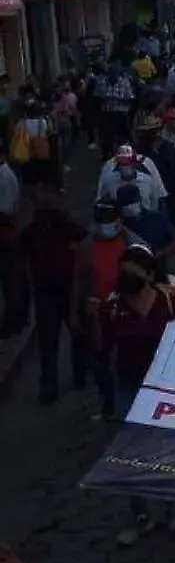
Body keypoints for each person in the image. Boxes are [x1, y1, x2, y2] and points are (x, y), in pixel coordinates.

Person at [96, 245, 175, 545]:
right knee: (132, 453)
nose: (125, 278)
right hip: (130, 386)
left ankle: (172, 509)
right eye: (122, 273)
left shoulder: (168, 302)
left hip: (166, 389)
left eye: (132, 273)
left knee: (167, 451)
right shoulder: (113, 308)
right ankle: (140, 515)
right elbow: (103, 348)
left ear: (149, 274)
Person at [73, 201, 146, 419]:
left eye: (108, 221)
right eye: (101, 221)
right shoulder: (87, 246)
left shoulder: (134, 244)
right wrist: (76, 311)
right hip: (98, 316)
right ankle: (109, 404)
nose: (105, 226)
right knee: (100, 361)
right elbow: (78, 279)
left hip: (127, 313)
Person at [23, 188, 89, 405]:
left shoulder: (70, 230)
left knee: (75, 335)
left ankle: (78, 375)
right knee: (49, 342)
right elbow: (21, 256)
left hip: (69, 290)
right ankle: (51, 385)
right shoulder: (34, 232)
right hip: (47, 293)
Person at [114, 185, 175, 274]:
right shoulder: (118, 226)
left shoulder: (158, 218)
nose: (129, 206)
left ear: (140, 200)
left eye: (132, 202)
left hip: (158, 272)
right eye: (126, 204)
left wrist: (159, 254)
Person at [96, 144, 168, 212]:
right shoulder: (109, 177)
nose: (125, 167)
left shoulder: (147, 179)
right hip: (121, 221)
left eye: (128, 163)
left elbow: (159, 197)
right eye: (122, 164)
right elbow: (101, 200)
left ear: (135, 164)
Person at [0, 143, 23, 338]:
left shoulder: (5, 177)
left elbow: (6, 211)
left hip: (5, 235)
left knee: (9, 281)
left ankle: (13, 321)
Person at [95, 62, 135, 158]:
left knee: (123, 137)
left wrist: (117, 99)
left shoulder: (125, 82)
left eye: (115, 72)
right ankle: (106, 155)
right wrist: (104, 99)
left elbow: (130, 98)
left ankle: (125, 155)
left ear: (119, 73)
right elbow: (96, 97)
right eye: (111, 72)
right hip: (107, 113)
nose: (113, 74)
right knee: (106, 137)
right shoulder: (102, 82)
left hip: (121, 113)